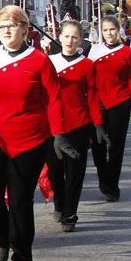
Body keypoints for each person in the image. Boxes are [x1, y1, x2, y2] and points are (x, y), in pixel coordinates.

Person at [0, 5, 70, 261]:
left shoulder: (39, 61)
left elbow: (54, 99)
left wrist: (58, 135)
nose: (7, 31)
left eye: (12, 25)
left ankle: (22, 257)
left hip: (30, 139)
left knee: (20, 200)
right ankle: (2, 238)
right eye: (1, 27)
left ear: (25, 28)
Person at [44, 20, 102, 231]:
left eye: (75, 37)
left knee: (75, 171)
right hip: (51, 125)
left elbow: (93, 96)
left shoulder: (87, 64)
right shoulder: (48, 62)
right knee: (55, 171)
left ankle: (70, 213)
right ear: (59, 37)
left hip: (78, 123)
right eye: (66, 36)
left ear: (81, 40)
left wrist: (98, 124)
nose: (70, 40)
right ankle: (60, 203)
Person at [89, 15, 131, 202]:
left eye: (112, 29)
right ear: (101, 32)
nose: (109, 33)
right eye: (105, 30)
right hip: (97, 104)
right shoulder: (93, 51)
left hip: (120, 102)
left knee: (116, 146)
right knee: (98, 146)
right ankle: (104, 178)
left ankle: (112, 185)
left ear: (118, 30)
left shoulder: (126, 52)